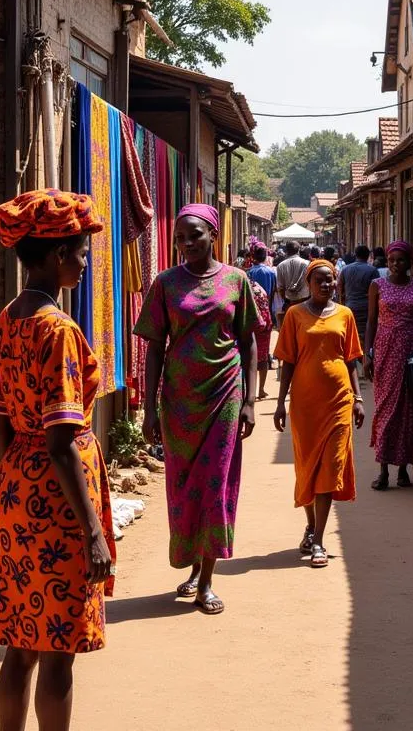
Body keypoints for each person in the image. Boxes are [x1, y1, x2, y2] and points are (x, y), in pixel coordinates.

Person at [0, 189, 115, 731]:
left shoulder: (8, 319)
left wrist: (18, 478)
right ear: (58, 254)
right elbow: (61, 442)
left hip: (18, 489)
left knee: (21, 644)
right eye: (82, 253)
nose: (85, 263)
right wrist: (91, 531)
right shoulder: (57, 330)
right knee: (58, 647)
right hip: (59, 503)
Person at [135, 203, 258, 616]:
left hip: (225, 394)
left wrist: (250, 402)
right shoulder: (165, 284)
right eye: (181, 238)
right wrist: (149, 409)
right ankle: (191, 563)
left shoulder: (236, 281)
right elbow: (154, 347)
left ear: (213, 236)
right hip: (179, 403)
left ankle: (206, 579)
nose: (187, 244)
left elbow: (249, 342)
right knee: (182, 486)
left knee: (216, 484)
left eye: (195, 236)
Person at [273, 260, 365, 568]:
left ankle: (320, 542)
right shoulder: (295, 315)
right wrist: (279, 402)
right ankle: (311, 525)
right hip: (305, 404)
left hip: (338, 401)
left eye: (330, 280)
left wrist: (358, 397)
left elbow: (351, 359)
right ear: (309, 282)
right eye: (320, 281)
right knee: (307, 468)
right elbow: (287, 361)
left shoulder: (345, 315)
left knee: (331, 467)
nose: (326, 285)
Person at [363, 241, 413, 488]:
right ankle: (383, 469)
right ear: (387, 261)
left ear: (410, 262)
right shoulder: (377, 285)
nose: (396, 264)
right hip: (386, 351)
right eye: (392, 260)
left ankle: (404, 469)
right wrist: (367, 354)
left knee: (411, 410)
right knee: (386, 409)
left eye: (401, 260)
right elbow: (371, 322)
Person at [337, 245, 380, 361]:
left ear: (355, 255)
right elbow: (377, 292)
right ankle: (365, 360)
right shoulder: (372, 270)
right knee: (368, 335)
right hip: (367, 308)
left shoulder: (345, 269)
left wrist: (342, 305)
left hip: (350, 307)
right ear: (368, 256)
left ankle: (353, 361)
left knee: (351, 335)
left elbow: (339, 289)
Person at [249, 277, 274, 401]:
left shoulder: (243, 288)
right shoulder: (259, 288)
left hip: (251, 327)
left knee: (249, 359)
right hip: (265, 326)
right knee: (263, 358)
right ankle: (261, 389)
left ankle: (251, 391)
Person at [276, 240, 310, 329]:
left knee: (290, 329)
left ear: (286, 251)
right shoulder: (307, 264)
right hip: (305, 303)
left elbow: (280, 288)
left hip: (289, 303)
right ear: (299, 250)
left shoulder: (280, 266)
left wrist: (286, 300)